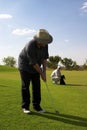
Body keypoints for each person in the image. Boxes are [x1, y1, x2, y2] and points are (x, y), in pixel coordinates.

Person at [18, 29, 53, 114]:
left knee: (37, 86)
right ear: (39, 41)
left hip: (36, 66)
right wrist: (41, 73)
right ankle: (25, 107)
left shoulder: (45, 45)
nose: (46, 44)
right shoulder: (30, 46)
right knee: (25, 86)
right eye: (44, 42)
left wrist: (44, 72)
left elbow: (44, 59)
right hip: (25, 66)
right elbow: (33, 63)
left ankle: (37, 106)